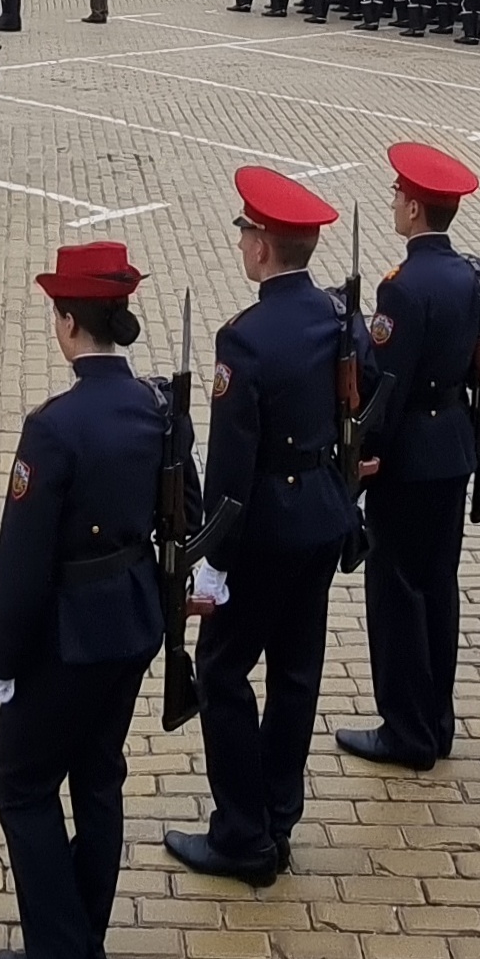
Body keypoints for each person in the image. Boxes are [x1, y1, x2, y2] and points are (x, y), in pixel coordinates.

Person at [0, 240, 177, 959]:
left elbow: (22, 561)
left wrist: (0, 659)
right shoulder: (158, 406)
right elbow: (183, 510)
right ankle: (85, 946)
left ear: (68, 323)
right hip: (131, 622)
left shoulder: (53, 428)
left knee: (20, 784)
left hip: (66, 637)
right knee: (98, 780)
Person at [170, 167, 359, 887]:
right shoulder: (335, 315)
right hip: (321, 515)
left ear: (264, 247)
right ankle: (278, 814)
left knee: (221, 673)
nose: (244, 242)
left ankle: (243, 836)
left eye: (248, 232)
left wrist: (211, 557)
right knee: (297, 671)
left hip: (265, 533)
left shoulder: (244, 339)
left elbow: (230, 461)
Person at [340, 142, 480, 773]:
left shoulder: (399, 289)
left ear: (417, 207)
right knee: (438, 586)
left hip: (407, 458)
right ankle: (438, 718)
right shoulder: (473, 274)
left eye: (399, 197)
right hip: (452, 447)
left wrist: (363, 455)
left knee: (397, 593)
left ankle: (406, 730)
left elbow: (386, 388)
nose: (394, 205)